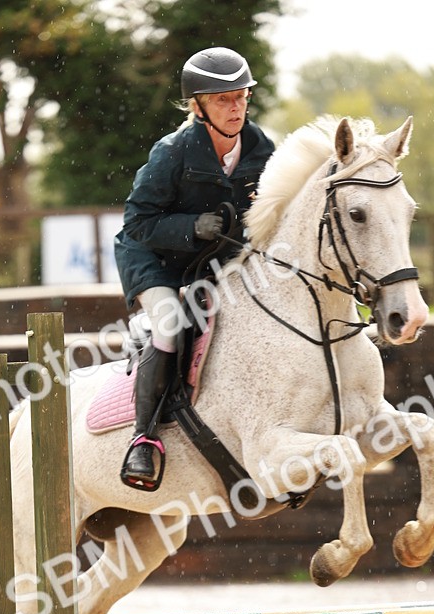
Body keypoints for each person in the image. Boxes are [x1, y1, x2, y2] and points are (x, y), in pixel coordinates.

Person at [114, 46, 275, 485]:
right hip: (155, 261)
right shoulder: (173, 151)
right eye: (223, 99)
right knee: (169, 325)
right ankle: (143, 440)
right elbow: (138, 222)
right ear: (198, 105)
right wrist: (190, 227)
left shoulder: (263, 149)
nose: (235, 107)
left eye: (241, 96)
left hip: (214, 263)